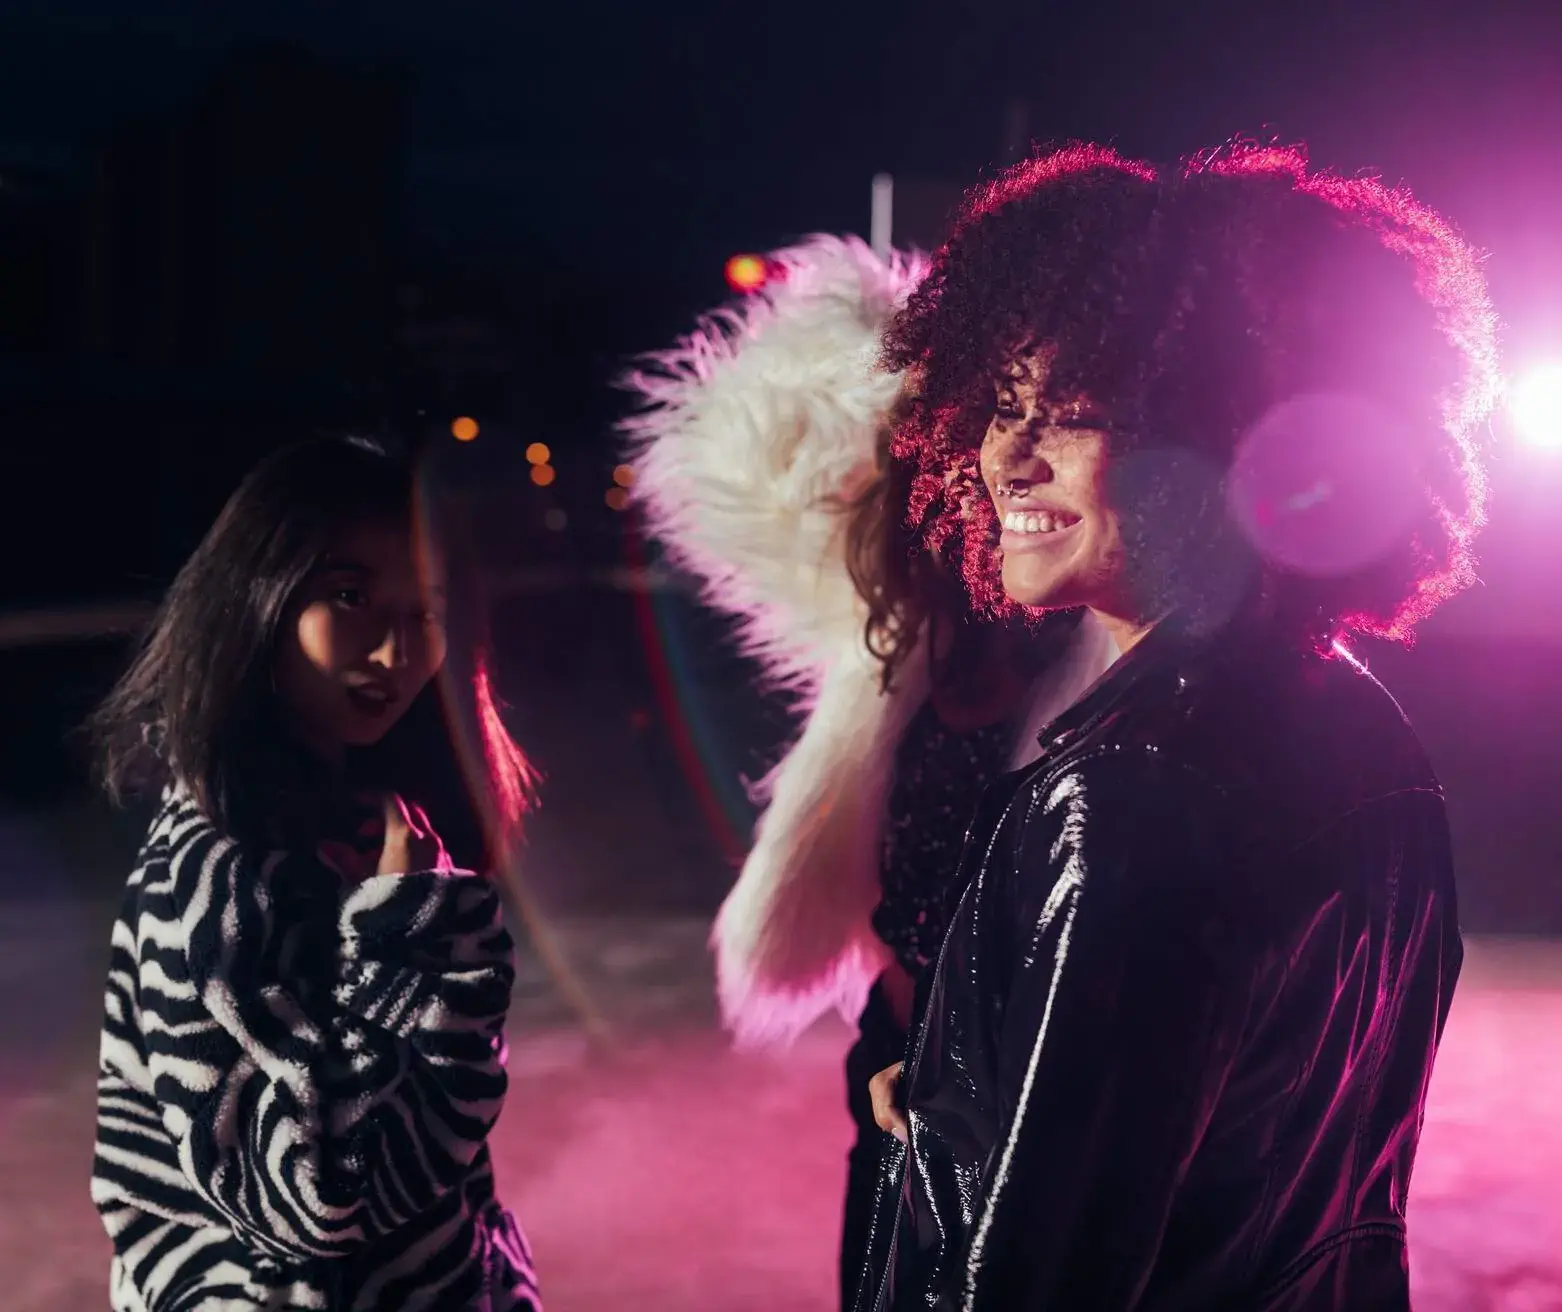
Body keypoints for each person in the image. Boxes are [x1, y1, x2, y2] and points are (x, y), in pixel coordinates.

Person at [856, 139, 1503, 1311]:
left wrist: (946, 1163)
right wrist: (962, 1101)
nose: (1009, 454)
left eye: (1078, 413)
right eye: (1001, 406)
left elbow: (1045, 1271)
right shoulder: (1370, 733)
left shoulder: (1131, 796)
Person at [624, 235, 1116, 1308]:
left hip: (1023, 1066)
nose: (957, 494)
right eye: (933, 466)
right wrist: (894, 358)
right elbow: (748, 443)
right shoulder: (890, 641)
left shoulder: (1078, 645)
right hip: (895, 1048)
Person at [86, 437, 544, 1310]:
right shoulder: (220, 867)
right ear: (256, 599)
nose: (396, 650)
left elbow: (440, 1172)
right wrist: (413, 929)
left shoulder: (347, 815)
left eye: (428, 609)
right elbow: (317, 1195)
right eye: (350, 596)